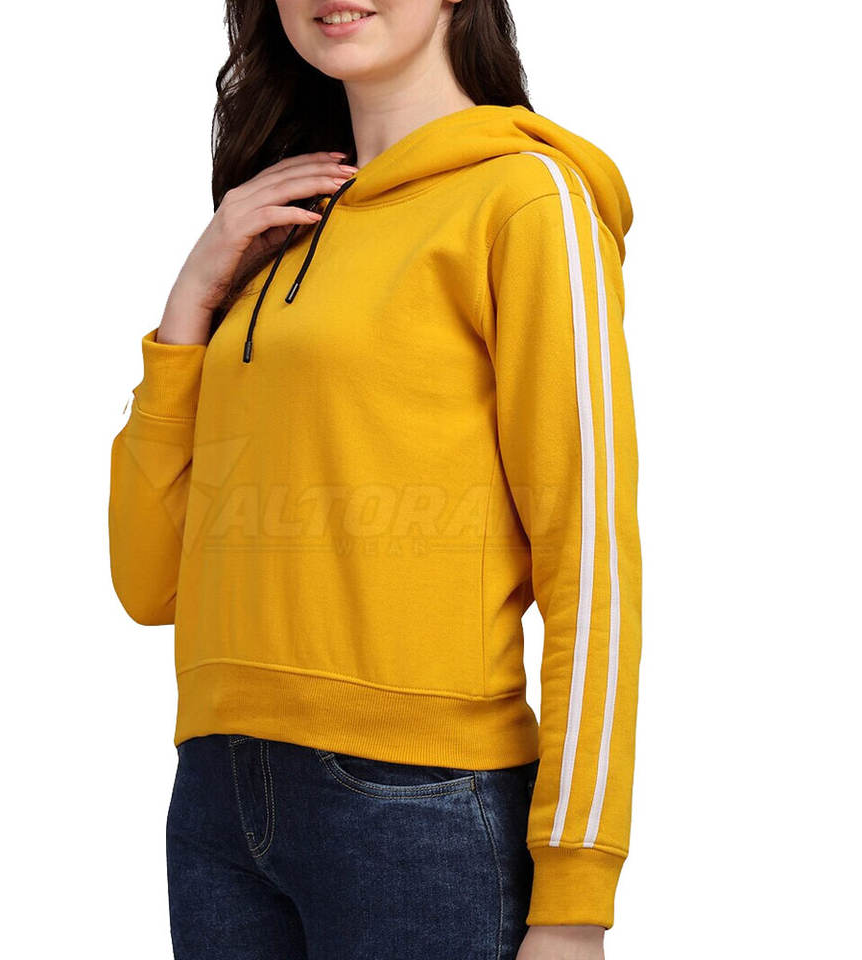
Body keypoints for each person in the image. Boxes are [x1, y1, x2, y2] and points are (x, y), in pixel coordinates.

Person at [107, 2, 642, 958]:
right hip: (217, 796)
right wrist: (188, 306)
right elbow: (150, 584)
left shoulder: (529, 200)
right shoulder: (274, 229)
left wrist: (574, 897)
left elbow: (590, 561)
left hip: (419, 802)